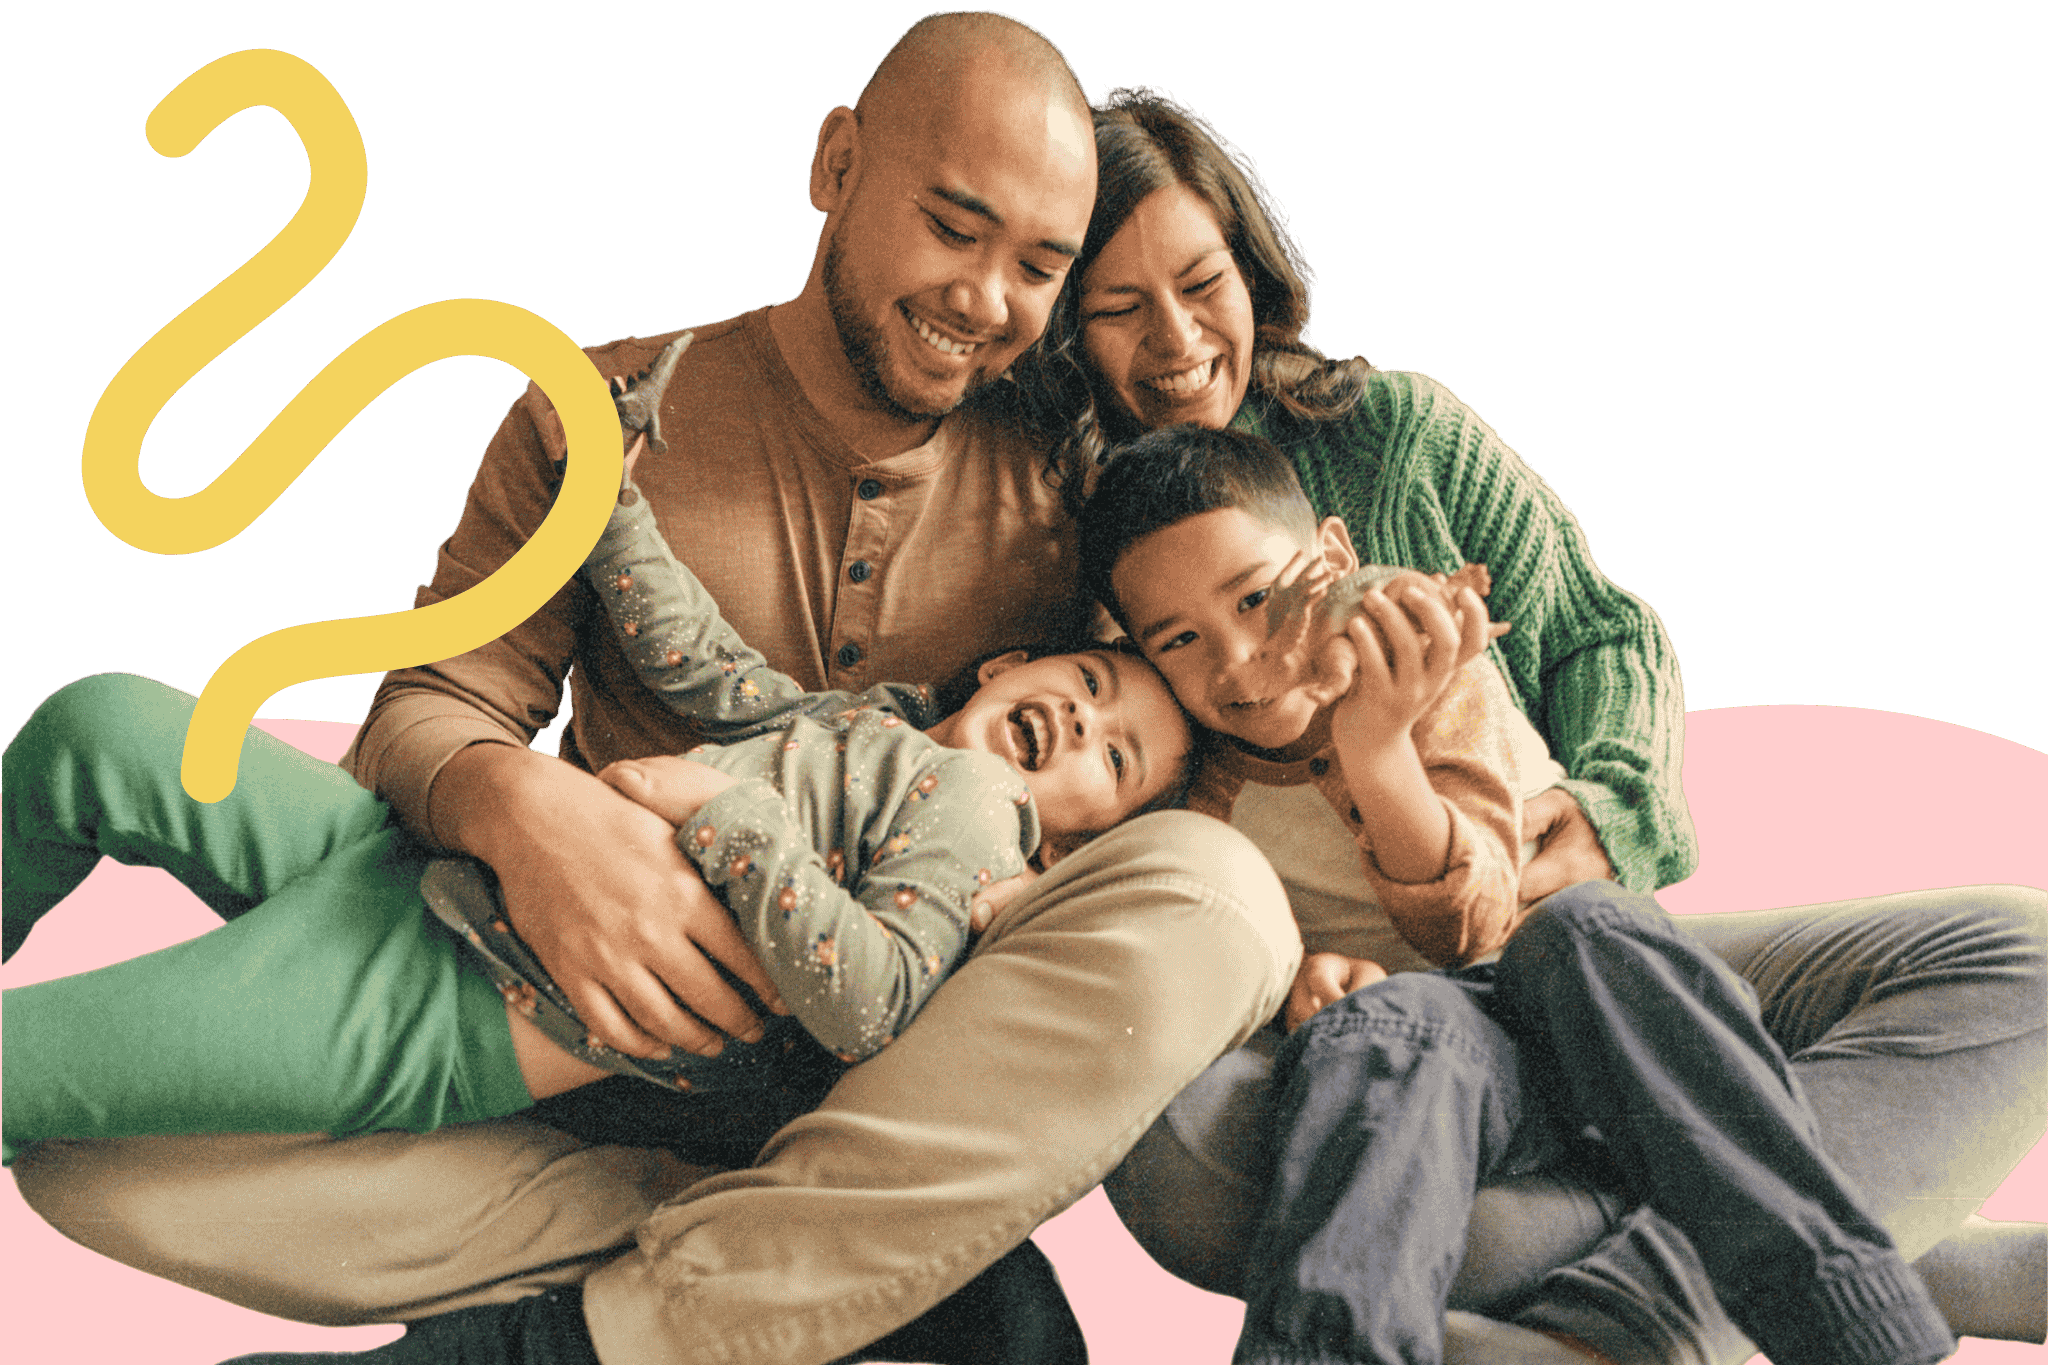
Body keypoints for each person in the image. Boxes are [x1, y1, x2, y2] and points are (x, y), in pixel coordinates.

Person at [8, 16, 1299, 1365]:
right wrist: (522, 808)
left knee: (88, 1148)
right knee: (94, 1076)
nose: (985, 298)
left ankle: (668, 1275)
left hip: (806, 1095)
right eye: (953, 226)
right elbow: (435, 704)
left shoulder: (1073, 497)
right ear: (837, 162)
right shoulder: (607, 408)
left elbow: (1183, 731)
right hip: (527, 963)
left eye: (1039, 266)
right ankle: (697, 1250)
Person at [1014, 87, 2046, 1362]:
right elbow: (1089, 830)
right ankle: (1925, 1263)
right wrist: (1279, 982)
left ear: (1250, 267)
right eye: (1116, 309)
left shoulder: (1386, 436)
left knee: (2009, 964)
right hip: (1363, 1026)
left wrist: (1601, 822)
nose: (1174, 339)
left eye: (1199, 281)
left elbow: (1605, 637)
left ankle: (1626, 1326)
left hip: (1568, 942)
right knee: (1284, 1115)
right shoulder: (1049, 536)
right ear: (1062, 332)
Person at [1075, 423, 1956, 1365]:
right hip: (1448, 1064)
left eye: (1259, 598)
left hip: (1595, 1009)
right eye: (1181, 641)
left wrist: (1377, 745)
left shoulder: (1438, 678)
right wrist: (1288, 981)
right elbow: (1202, 931)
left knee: (1581, 925)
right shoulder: (1198, 786)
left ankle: (1857, 1325)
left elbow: (1477, 919)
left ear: (1333, 557)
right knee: (1385, 1026)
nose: (1241, 660)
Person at [4, 465, 1196, 1156]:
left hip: (469, 994)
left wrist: (724, 820)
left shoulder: (982, 820)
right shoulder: (864, 727)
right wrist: (611, 507)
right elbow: (698, 662)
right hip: (434, 861)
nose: (1087, 729)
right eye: (1088, 688)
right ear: (1005, 669)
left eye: (1119, 761)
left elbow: (871, 1005)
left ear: (1083, 835)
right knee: (95, 729)